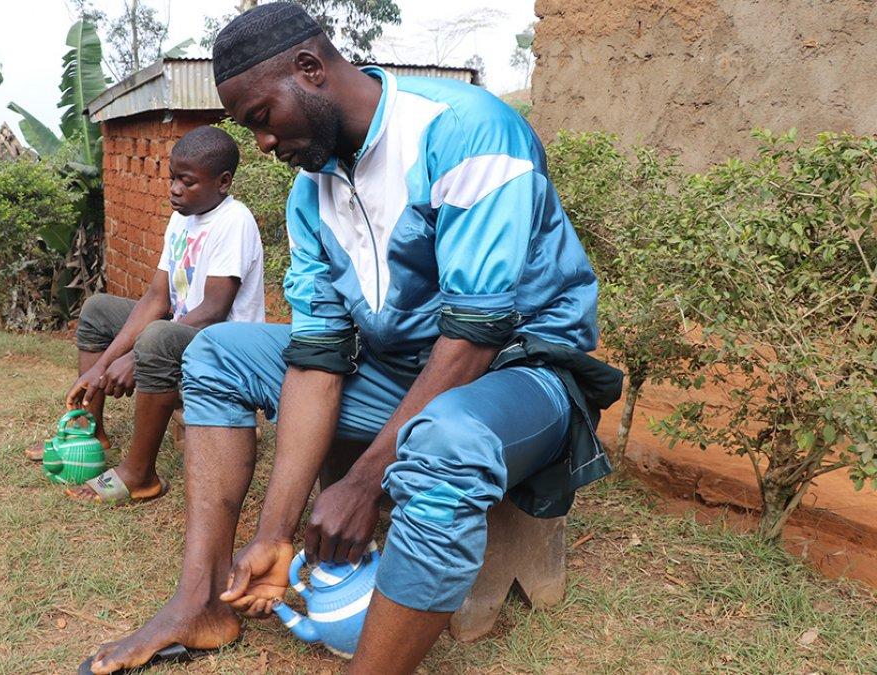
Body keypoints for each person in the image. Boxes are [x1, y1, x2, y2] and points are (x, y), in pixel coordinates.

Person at [79, 3, 622, 673]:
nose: (264, 148)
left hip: (519, 372)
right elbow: (317, 357)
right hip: (396, 368)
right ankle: (201, 604)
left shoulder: (464, 132)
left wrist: (364, 482)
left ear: (309, 69)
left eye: (261, 119)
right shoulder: (311, 194)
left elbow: (477, 335)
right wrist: (276, 533)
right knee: (216, 353)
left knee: (444, 442)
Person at [32, 125, 265, 505]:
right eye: (172, 178)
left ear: (223, 182)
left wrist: (136, 356)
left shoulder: (233, 221)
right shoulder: (182, 218)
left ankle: (140, 475)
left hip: (228, 346)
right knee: (97, 309)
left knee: (157, 336)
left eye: (186, 182)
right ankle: (89, 435)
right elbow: (157, 297)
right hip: (185, 330)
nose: (173, 189)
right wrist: (102, 366)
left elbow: (213, 310)